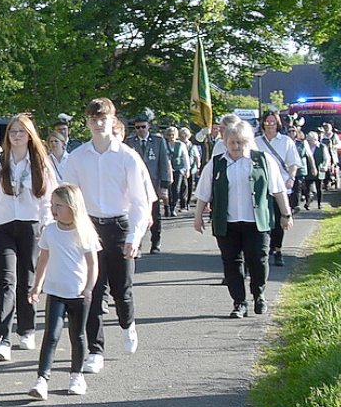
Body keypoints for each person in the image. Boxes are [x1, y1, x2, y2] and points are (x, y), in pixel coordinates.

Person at [57, 98, 153, 374]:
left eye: (103, 119)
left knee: (122, 290)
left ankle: (128, 324)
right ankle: (95, 350)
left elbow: (139, 201)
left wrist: (134, 236)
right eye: (93, 119)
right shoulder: (77, 157)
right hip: (90, 228)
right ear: (87, 122)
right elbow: (69, 196)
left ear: (113, 121)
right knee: (92, 292)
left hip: (120, 226)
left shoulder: (127, 157)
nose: (98, 124)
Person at [0, 113, 56, 362]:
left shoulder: (41, 163)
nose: (17, 136)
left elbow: (49, 199)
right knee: (6, 280)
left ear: (30, 135)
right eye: (12, 131)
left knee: (27, 279)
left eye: (21, 131)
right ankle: (2, 338)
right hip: (2, 225)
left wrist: (47, 226)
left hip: (31, 226)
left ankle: (27, 328)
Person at [193, 119, 294, 316]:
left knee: (258, 260)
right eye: (232, 142)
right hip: (228, 223)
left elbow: (278, 190)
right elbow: (203, 193)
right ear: (225, 142)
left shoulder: (263, 160)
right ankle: (239, 302)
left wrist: (286, 214)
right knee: (231, 263)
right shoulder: (216, 163)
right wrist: (198, 217)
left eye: (241, 142)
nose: (237, 146)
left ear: (248, 141)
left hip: (256, 222)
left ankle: (259, 294)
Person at [27, 183, 101, 399]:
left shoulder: (84, 232)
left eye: (58, 205)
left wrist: (89, 288)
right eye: (52, 205)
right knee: (51, 335)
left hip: (78, 293)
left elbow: (93, 264)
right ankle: (42, 380)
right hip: (56, 292)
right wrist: (37, 286)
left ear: (72, 206)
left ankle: (76, 376)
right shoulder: (50, 230)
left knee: (77, 335)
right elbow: (43, 259)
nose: (54, 210)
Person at [253, 111, 301, 267]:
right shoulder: (256, 142)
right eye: (267, 122)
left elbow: (293, 162)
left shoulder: (286, 141)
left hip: (281, 185)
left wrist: (291, 178)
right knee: (265, 219)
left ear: (278, 123)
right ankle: (266, 249)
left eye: (273, 122)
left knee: (281, 218)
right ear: (263, 124)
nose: (270, 125)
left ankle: (278, 250)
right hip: (262, 186)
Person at [125, 109, 173, 253]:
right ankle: (137, 243)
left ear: (148, 127)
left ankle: (155, 243)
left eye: (143, 127)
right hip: (135, 185)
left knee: (155, 216)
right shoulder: (129, 142)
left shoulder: (158, 141)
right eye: (137, 127)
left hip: (153, 185)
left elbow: (164, 164)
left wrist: (164, 186)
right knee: (135, 215)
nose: (140, 130)